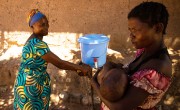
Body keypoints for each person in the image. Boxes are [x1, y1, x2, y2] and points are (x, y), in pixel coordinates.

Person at [91, 2, 172, 110]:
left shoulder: (159, 67)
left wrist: (94, 83)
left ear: (158, 28)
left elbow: (118, 107)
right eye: (130, 30)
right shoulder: (144, 51)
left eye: (135, 30)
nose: (131, 36)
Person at [13, 9, 92, 110]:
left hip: (24, 83)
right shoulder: (38, 45)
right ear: (32, 26)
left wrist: (78, 68)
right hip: (30, 87)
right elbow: (60, 63)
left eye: (47, 23)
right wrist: (80, 68)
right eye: (42, 25)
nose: (46, 26)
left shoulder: (31, 40)